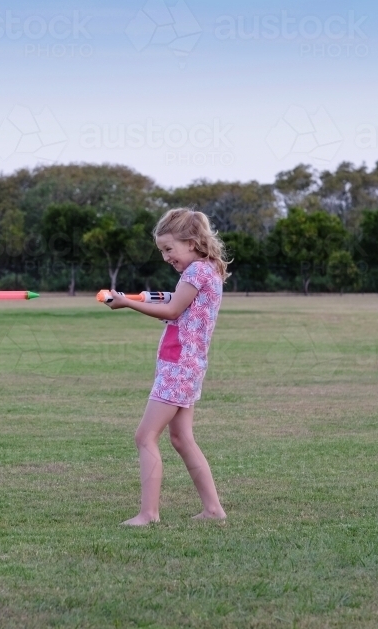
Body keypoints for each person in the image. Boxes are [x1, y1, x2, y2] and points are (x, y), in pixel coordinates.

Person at [105, 209, 228, 526]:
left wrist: (127, 303)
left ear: (191, 242)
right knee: (181, 439)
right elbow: (180, 308)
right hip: (186, 366)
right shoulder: (207, 270)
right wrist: (149, 300)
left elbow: (173, 309)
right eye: (162, 250)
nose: (165, 256)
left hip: (179, 367)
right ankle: (213, 510)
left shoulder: (195, 273)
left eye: (169, 248)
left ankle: (148, 514)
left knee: (145, 436)